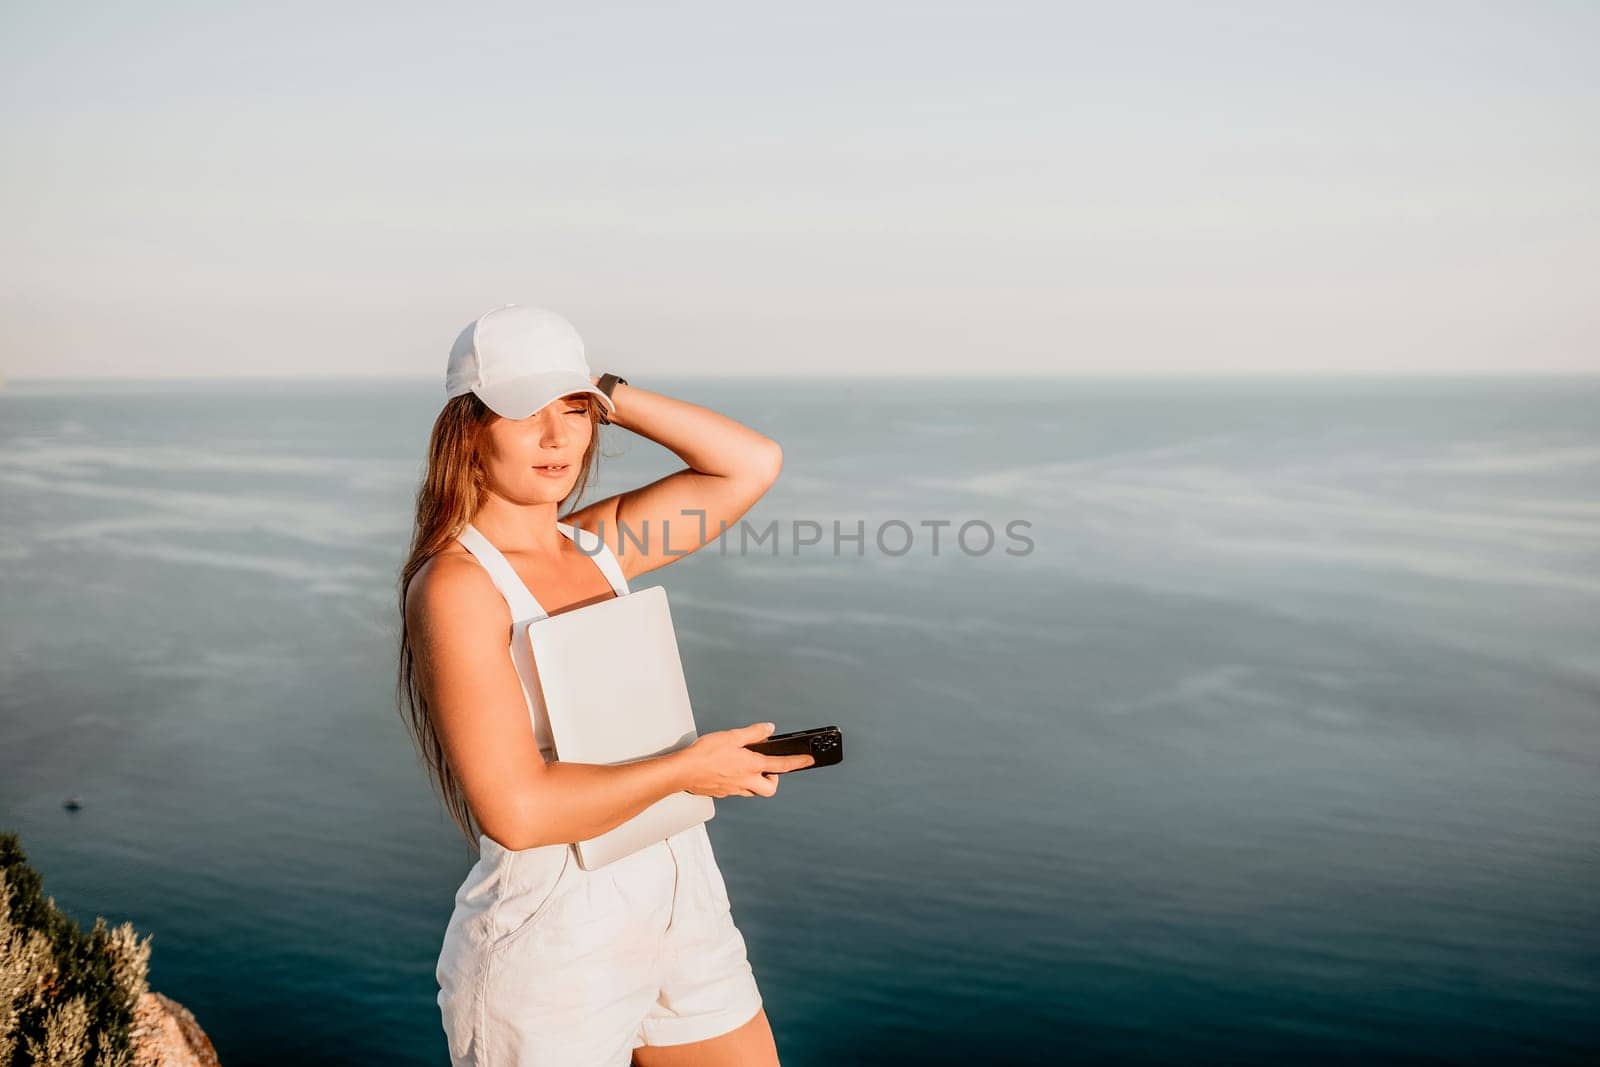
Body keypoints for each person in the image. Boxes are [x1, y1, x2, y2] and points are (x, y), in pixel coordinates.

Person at [396, 304, 815, 1067]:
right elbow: (517, 812)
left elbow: (750, 463)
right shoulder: (458, 587)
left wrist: (606, 388)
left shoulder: (600, 546)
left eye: (576, 412)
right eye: (527, 412)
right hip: (556, 934)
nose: (559, 438)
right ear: (469, 429)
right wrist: (691, 770)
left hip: (678, 890)